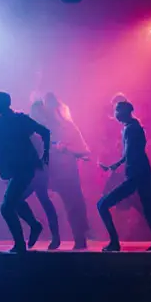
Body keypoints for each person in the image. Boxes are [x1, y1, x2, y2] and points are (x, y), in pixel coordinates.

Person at [0, 91, 51, 253]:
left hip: (25, 167)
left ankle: (20, 245)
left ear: (4, 104)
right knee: (16, 201)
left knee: (6, 207)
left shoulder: (19, 119)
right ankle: (35, 226)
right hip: (14, 168)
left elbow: (45, 132)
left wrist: (46, 154)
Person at [98, 100, 151, 252]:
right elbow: (128, 153)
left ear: (125, 112)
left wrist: (120, 168)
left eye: (118, 111)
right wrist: (115, 165)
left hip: (135, 175)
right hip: (141, 172)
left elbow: (130, 153)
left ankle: (114, 242)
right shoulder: (131, 127)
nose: (115, 114)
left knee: (102, 205)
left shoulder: (131, 129)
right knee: (147, 207)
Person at [42, 93, 91, 250]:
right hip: (54, 171)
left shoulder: (68, 126)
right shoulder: (45, 128)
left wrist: (65, 148)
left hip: (67, 172)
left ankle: (79, 238)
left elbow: (84, 150)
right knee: (63, 205)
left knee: (73, 204)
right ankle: (62, 238)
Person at [26, 100, 62, 250]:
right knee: (17, 200)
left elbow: (49, 148)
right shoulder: (29, 126)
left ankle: (52, 234)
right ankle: (37, 226)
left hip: (40, 170)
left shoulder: (45, 127)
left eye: (39, 111)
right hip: (30, 169)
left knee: (44, 200)